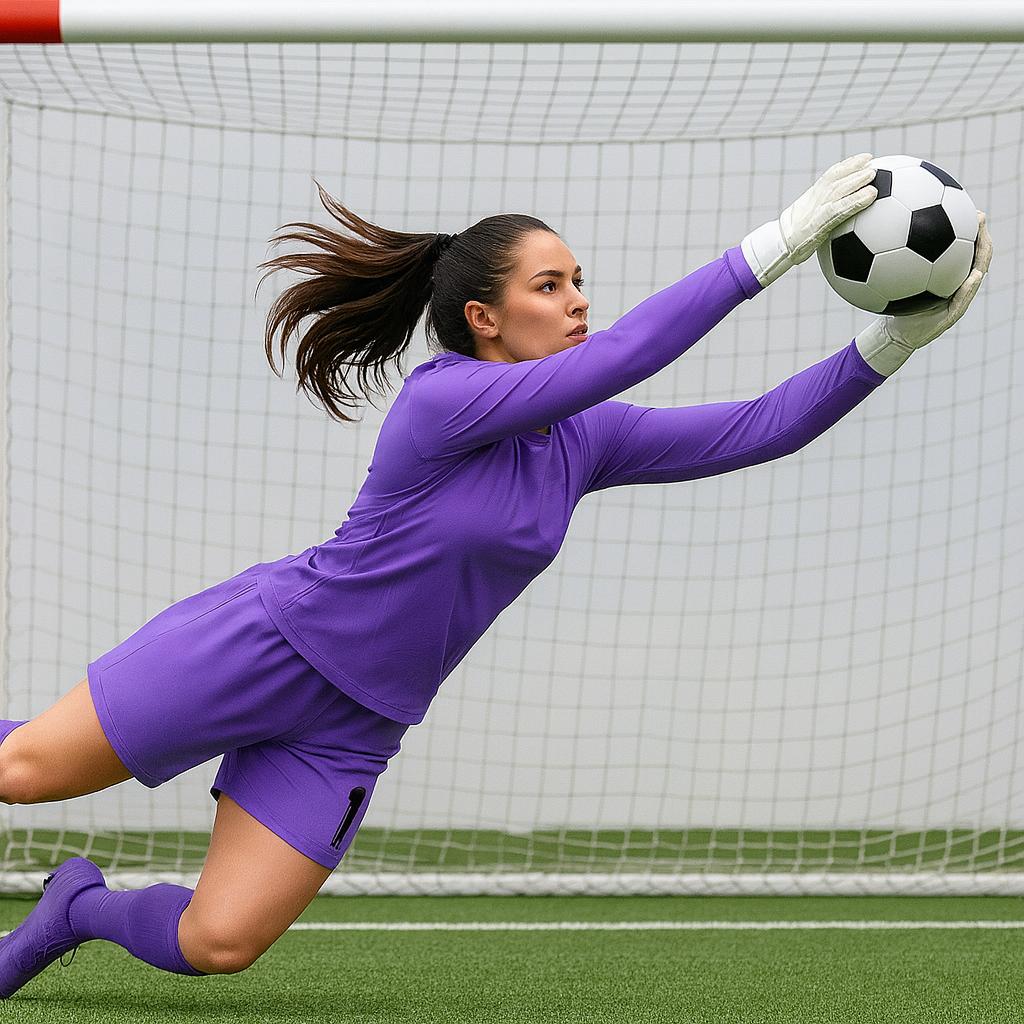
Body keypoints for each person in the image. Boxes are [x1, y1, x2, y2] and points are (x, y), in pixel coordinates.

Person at [0, 154, 992, 997]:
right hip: (268, 645)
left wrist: (890, 340)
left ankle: (76, 905)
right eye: (550, 285)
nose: (578, 301)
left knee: (218, 942)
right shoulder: (445, 399)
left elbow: (757, 428)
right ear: (483, 315)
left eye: (577, 281)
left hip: (356, 722)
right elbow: (629, 354)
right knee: (24, 772)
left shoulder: (584, 438)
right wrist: (774, 243)